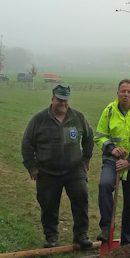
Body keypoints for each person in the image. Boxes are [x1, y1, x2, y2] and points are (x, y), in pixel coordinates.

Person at [21, 84, 94, 249]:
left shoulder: (78, 117)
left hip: (74, 169)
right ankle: (51, 236)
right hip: (47, 171)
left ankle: (81, 236)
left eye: (65, 100)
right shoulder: (39, 120)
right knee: (48, 204)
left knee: (81, 197)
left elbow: (89, 137)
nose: (63, 103)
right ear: (52, 99)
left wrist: (86, 159)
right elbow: (27, 144)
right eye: (59, 100)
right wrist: (31, 167)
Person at [94, 79, 130, 245]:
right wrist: (112, 149)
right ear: (117, 93)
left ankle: (127, 243)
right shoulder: (109, 111)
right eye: (123, 91)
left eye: (129, 92)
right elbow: (99, 136)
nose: (125, 94)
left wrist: (129, 161)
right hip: (113, 160)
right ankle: (106, 228)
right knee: (104, 185)